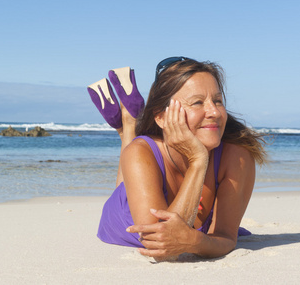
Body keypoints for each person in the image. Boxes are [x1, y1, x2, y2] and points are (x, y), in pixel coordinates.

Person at [87, 57, 266, 260]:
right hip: (123, 213)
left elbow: (225, 237)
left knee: (132, 156)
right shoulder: (141, 152)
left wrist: (195, 242)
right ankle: (128, 123)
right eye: (198, 102)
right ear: (161, 117)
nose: (215, 112)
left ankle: (127, 124)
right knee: (130, 163)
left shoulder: (237, 156)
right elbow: (161, 245)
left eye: (218, 101)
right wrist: (198, 161)